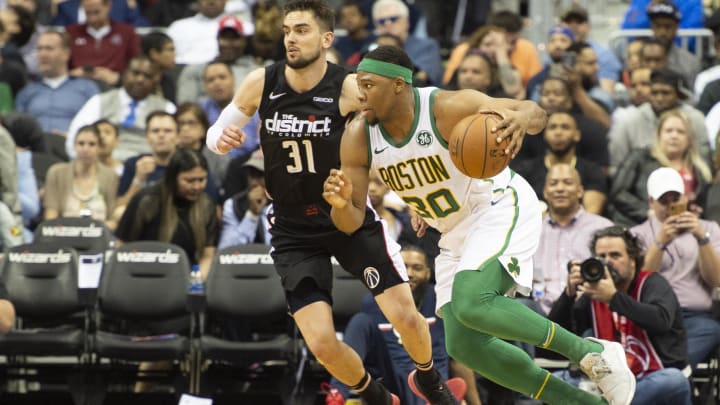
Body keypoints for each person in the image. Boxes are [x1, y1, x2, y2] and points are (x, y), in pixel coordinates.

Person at [322, 45, 637, 405]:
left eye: (367, 84)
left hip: (496, 204)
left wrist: (519, 120)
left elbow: (533, 112)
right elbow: (349, 223)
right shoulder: (357, 136)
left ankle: (590, 352)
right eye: (357, 85)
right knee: (464, 344)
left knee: (473, 302)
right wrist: (341, 204)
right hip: (453, 229)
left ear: (398, 85)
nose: (358, 94)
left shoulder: (444, 107)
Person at [206, 2, 461, 404]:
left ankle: (428, 378)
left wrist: (412, 195)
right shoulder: (262, 81)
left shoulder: (347, 87)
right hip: (292, 228)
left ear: (326, 39)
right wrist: (221, 139)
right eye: (288, 30)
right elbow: (217, 132)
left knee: (406, 317)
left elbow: (397, 138)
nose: (291, 38)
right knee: (322, 344)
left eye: (302, 30)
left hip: (346, 215)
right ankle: (374, 395)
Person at [549, 226, 692, 405]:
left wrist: (614, 298)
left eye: (615, 256)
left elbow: (661, 321)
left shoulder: (652, 283)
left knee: (674, 381)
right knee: (555, 382)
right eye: (601, 257)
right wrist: (568, 294)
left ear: (633, 260)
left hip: (651, 377)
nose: (607, 262)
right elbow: (552, 341)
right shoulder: (592, 292)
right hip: (608, 384)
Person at [325, 245, 479, 405]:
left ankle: (438, 399)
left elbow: (457, 358)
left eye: (417, 268)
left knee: (432, 376)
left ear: (427, 273)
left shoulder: (439, 298)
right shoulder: (374, 301)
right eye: (404, 267)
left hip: (432, 380)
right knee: (360, 321)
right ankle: (336, 396)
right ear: (394, 269)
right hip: (394, 381)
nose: (410, 273)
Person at [630, 167, 720, 369]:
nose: (671, 205)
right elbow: (640, 283)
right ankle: (670, 375)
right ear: (651, 203)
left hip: (694, 317)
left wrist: (701, 238)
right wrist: (660, 243)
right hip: (654, 315)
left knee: (713, 330)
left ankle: (668, 372)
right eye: (663, 200)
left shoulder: (709, 229)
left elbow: (716, 280)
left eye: (675, 198)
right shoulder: (637, 235)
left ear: (686, 198)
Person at [115, 146, 218, 278]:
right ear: (173, 178)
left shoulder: (206, 205)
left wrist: (196, 280)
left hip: (187, 278)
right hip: (144, 275)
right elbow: (122, 247)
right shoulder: (147, 201)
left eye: (201, 179)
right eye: (190, 180)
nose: (197, 186)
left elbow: (207, 255)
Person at [529, 163, 613, 315]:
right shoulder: (530, 231)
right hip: (539, 311)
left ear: (580, 191)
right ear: (545, 192)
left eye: (567, 183)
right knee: (522, 307)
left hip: (585, 309)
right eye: (553, 183)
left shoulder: (602, 228)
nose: (560, 188)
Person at [608, 109, 712, 227]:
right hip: (639, 225)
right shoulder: (640, 158)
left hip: (683, 227)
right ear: (659, 135)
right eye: (669, 131)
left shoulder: (700, 170)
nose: (674, 136)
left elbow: (702, 204)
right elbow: (618, 193)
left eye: (680, 132)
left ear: (689, 139)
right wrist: (648, 212)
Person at [43, 124, 118, 229]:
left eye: (92, 144)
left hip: (99, 234)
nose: (85, 149)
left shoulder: (110, 176)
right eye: (81, 143)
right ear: (74, 146)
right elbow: (51, 215)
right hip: (64, 233)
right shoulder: (57, 173)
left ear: (99, 148)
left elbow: (112, 217)